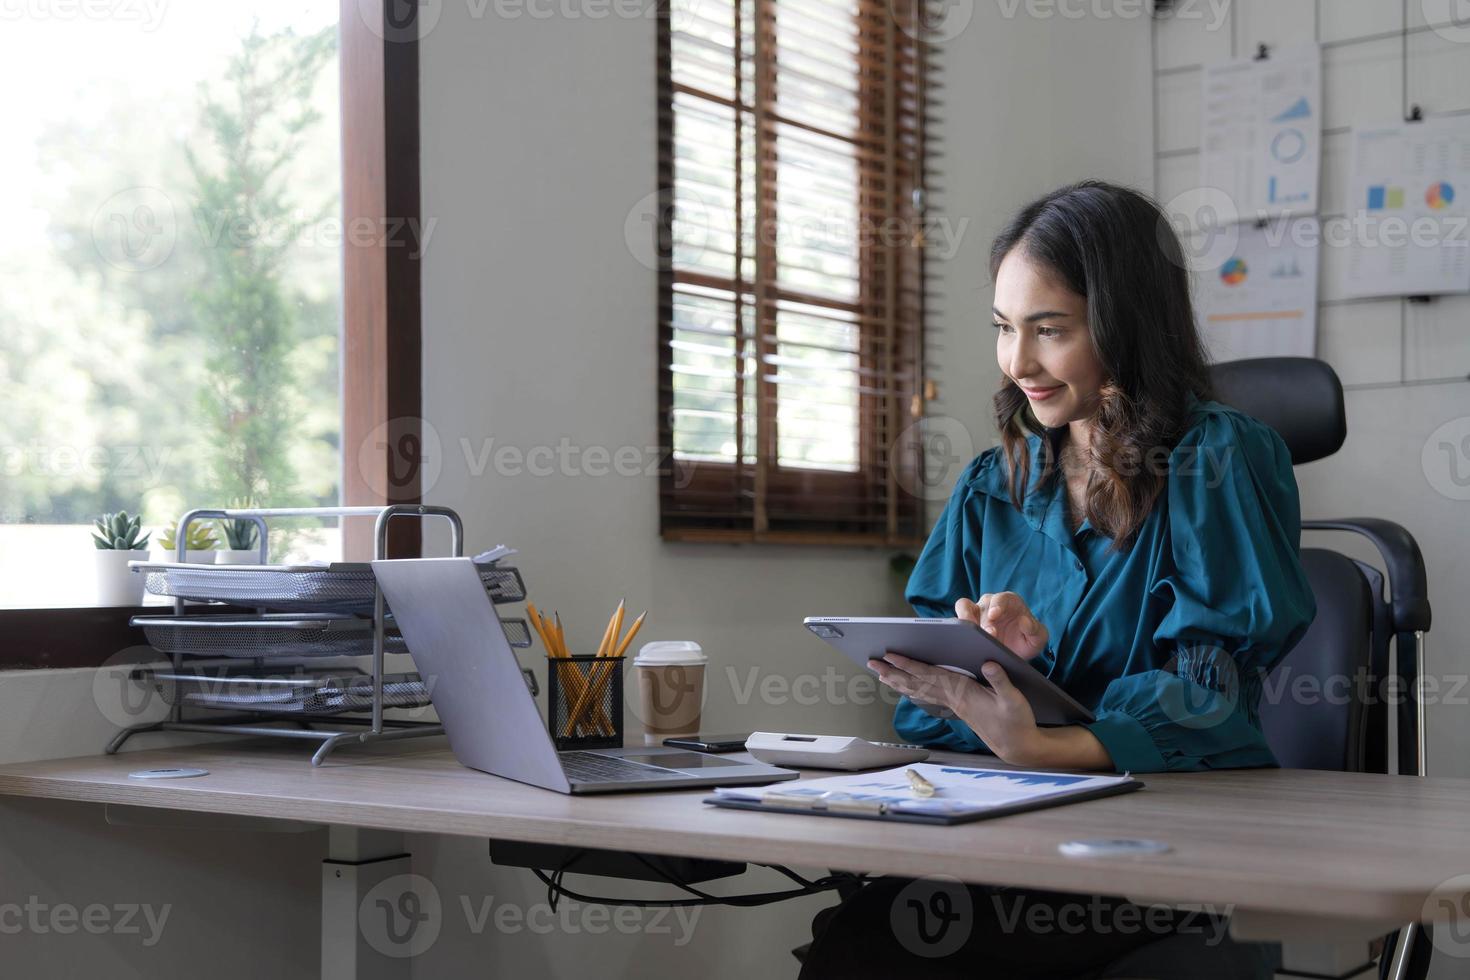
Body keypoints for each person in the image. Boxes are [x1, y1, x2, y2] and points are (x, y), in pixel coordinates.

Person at [797, 180, 1317, 979]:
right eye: (1005, 329)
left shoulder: (1214, 462)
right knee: (859, 942)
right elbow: (930, 707)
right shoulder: (993, 483)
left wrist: (1046, 743)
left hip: (1162, 850)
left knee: (894, 956)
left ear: (1125, 326)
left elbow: (1214, 702)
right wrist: (1007, 668)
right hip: (1007, 832)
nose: (1018, 362)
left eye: (1050, 330)